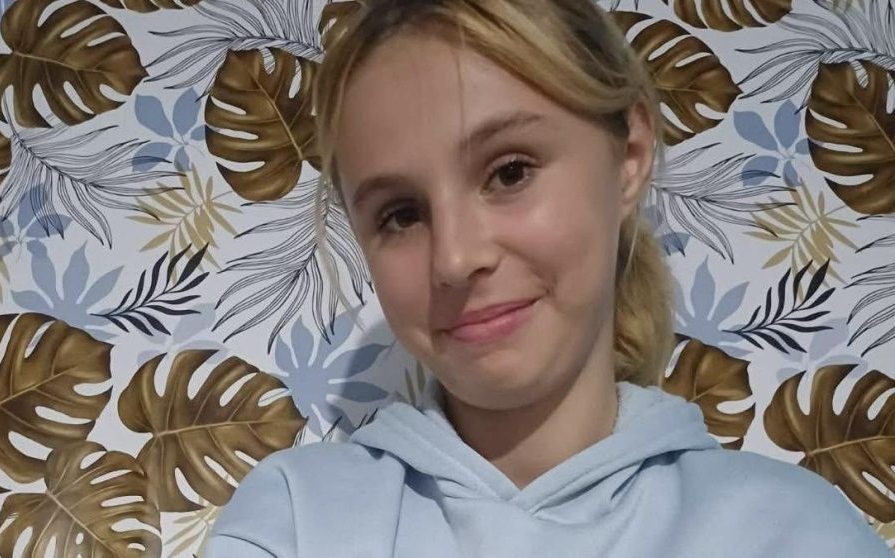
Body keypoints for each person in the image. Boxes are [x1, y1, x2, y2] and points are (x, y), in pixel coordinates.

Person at [204, 1, 891, 556]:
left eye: (510, 172)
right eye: (401, 214)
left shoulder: (788, 531)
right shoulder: (296, 520)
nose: (454, 259)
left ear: (629, 156)